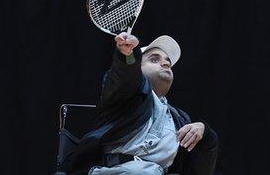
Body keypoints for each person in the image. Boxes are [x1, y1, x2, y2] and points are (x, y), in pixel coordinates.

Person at [60, 33, 218, 174]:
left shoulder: (180, 119)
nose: (164, 63)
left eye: (168, 62)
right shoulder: (127, 95)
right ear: (138, 68)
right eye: (154, 59)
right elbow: (124, 76)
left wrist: (205, 132)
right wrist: (128, 56)